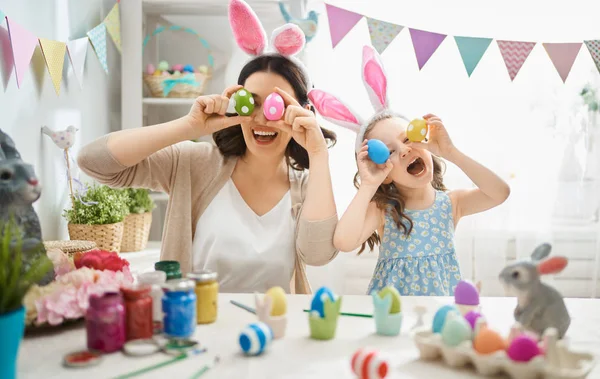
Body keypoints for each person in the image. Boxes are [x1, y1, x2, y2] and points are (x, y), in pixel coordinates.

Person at [77, 3, 339, 294]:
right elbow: (93, 162)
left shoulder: (305, 188)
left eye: (276, 106)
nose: (262, 118)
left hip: (269, 330)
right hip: (194, 327)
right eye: (250, 102)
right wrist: (189, 127)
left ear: (302, 112)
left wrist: (318, 154)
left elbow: (318, 255)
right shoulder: (195, 163)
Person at [310, 45, 510, 296]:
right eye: (388, 151)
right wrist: (369, 185)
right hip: (391, 316)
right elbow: (343, 242)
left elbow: (500, 192)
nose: (403, 151)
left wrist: (451, 153)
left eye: (407, 140)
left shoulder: (451, 203)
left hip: (440, 318)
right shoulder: (384, 211)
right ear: (383, 169)